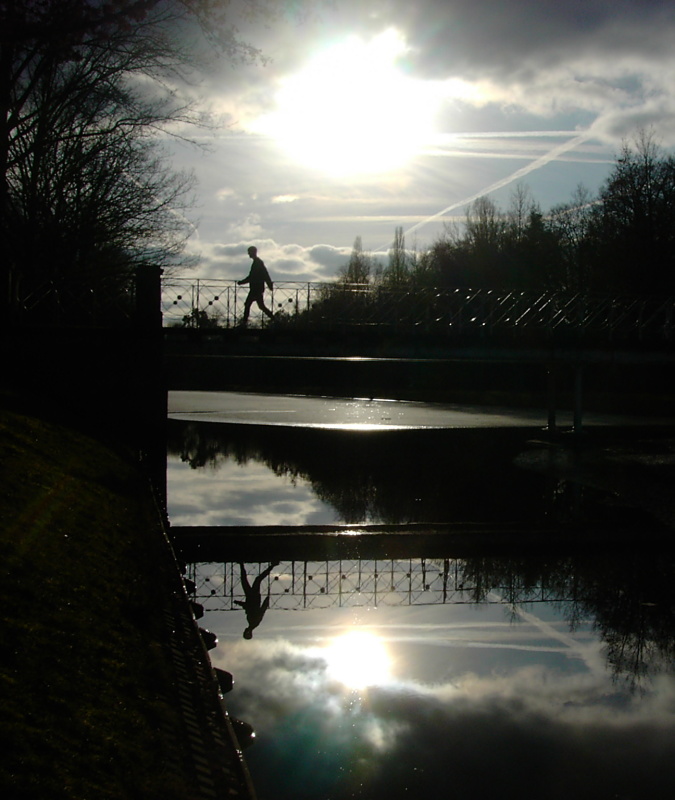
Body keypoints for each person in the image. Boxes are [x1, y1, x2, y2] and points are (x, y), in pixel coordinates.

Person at [235, 562, 279, 639]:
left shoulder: (252, 623)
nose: (244, 631)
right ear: (248, 632)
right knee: (253, 580)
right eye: (245, 632)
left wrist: (240, 603)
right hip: (253, 597)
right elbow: (257, 610)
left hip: (251, 597)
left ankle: (241, 564)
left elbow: (250, 608)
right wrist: (266, 601)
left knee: (248, 580)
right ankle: (272, 566)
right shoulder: (254, 622)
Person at [238, 245, 274, 326]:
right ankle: (273, 318)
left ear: (253, 252)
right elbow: (265, 274)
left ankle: (244, 323)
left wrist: (242, 282)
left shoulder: (257, 263)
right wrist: (269, 284)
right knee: (260, 306)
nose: (248, 254)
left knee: (248, 304)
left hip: (256, 288)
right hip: (258, 288)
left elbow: (253, 276)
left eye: (249, 252)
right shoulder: (257, 262)